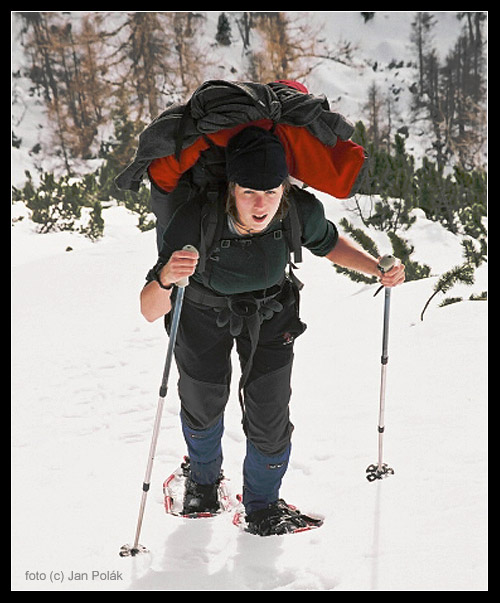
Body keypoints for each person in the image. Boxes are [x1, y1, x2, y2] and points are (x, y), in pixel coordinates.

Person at [140, 126, 405, 536]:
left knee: (270, 413)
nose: (260, 204)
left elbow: (329, 243)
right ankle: (203, 484)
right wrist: (165, 279)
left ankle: (261, 507)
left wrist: (377, 268)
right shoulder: (195, 217)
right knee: (203, 400)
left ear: (284, 188)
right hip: (200, 313)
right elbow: (147, 308)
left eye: (270, 192)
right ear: (231, 188)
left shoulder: (297, 210)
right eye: (248, 192)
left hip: (272, 314)